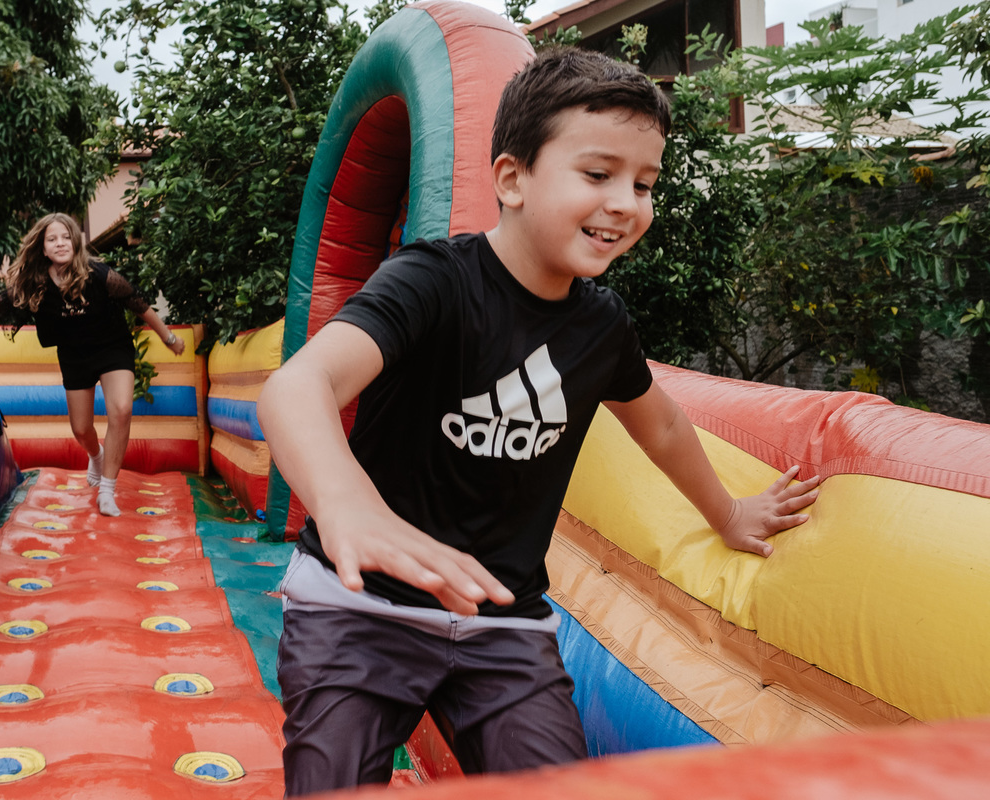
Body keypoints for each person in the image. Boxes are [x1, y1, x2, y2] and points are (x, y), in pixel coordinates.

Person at [256, 47, 822, 796]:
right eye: (598, 175)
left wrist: (727, 513)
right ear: (513, 179)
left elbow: (660, 426)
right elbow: (299, 385)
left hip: (502, 623)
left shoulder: (601, 326)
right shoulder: (434, 281)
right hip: (360, 605)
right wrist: (346, 504)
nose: (625, 201)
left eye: (643, 183)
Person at [0, 212, 185, 516]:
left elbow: (138, 302)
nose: (60, 243)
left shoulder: (98, 274)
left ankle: (107, 491)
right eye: (52, 239)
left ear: (76, 242)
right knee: (81, 429)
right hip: (74, 355)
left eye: (66, 237)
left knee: (121, 409)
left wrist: (168, 337)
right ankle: (95, 455)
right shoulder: (36, 283)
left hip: (112, 347)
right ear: (42, 249)